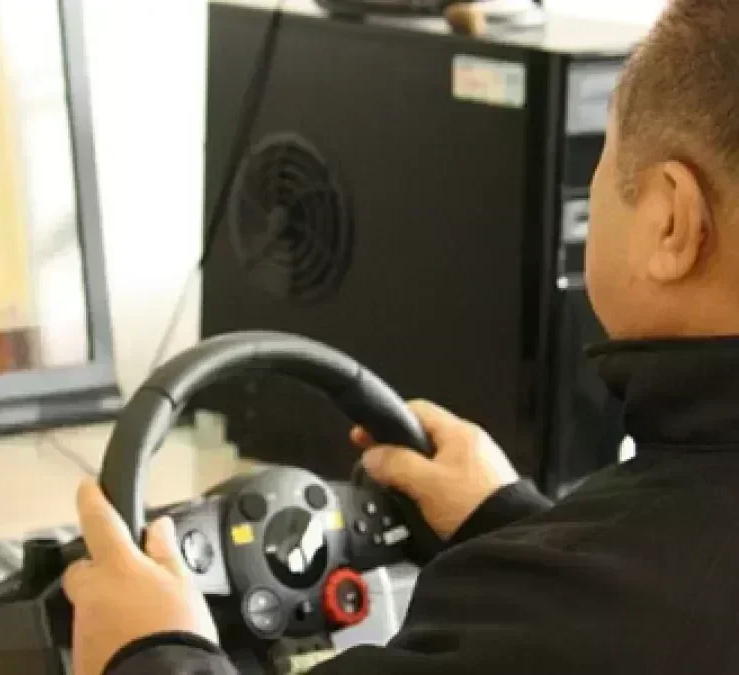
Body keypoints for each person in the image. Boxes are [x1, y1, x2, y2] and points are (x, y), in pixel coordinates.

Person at [63, 1, 739, 673]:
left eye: (604, 157)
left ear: (671, 221)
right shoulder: (627, 587)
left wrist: (149, 650)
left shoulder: (560, 613)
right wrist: (509, 522)